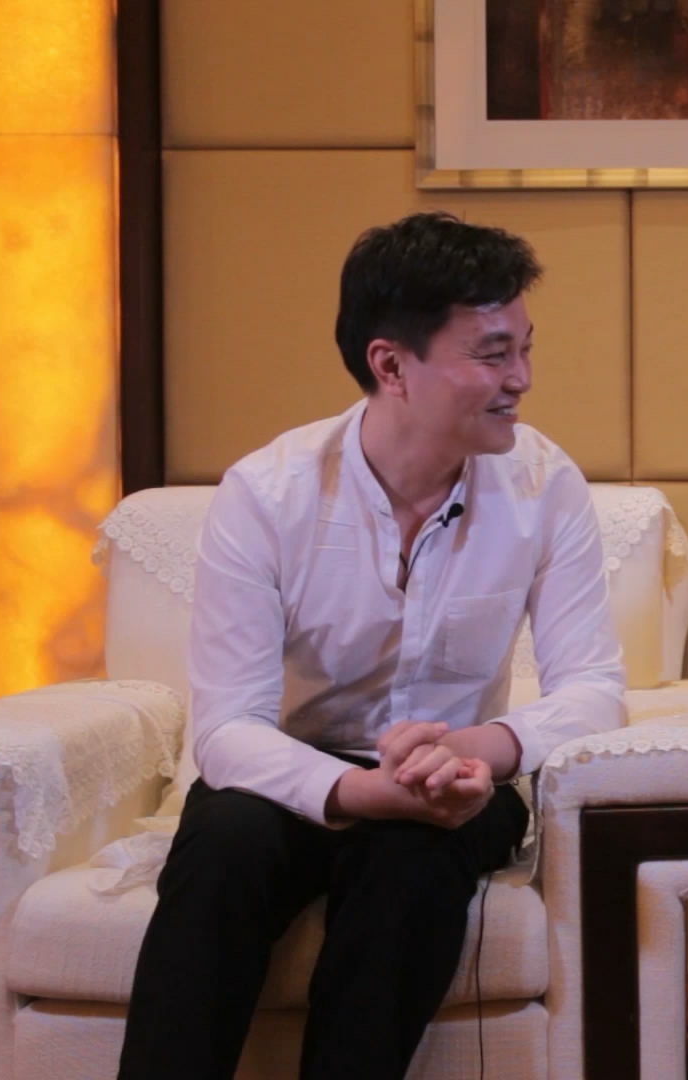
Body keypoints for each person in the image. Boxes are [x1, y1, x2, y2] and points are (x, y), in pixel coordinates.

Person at [117, 211, 628, 1079]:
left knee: (411, 856)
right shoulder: (267, 494)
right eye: (493, 354)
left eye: (524, 348)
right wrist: (360, 791)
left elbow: (593, 688)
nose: (522, 379)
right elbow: (228, 729)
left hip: (458, 779)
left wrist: (474, 750)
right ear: (391, 365)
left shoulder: (546, 486)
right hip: (291, 773)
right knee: (224, 847)